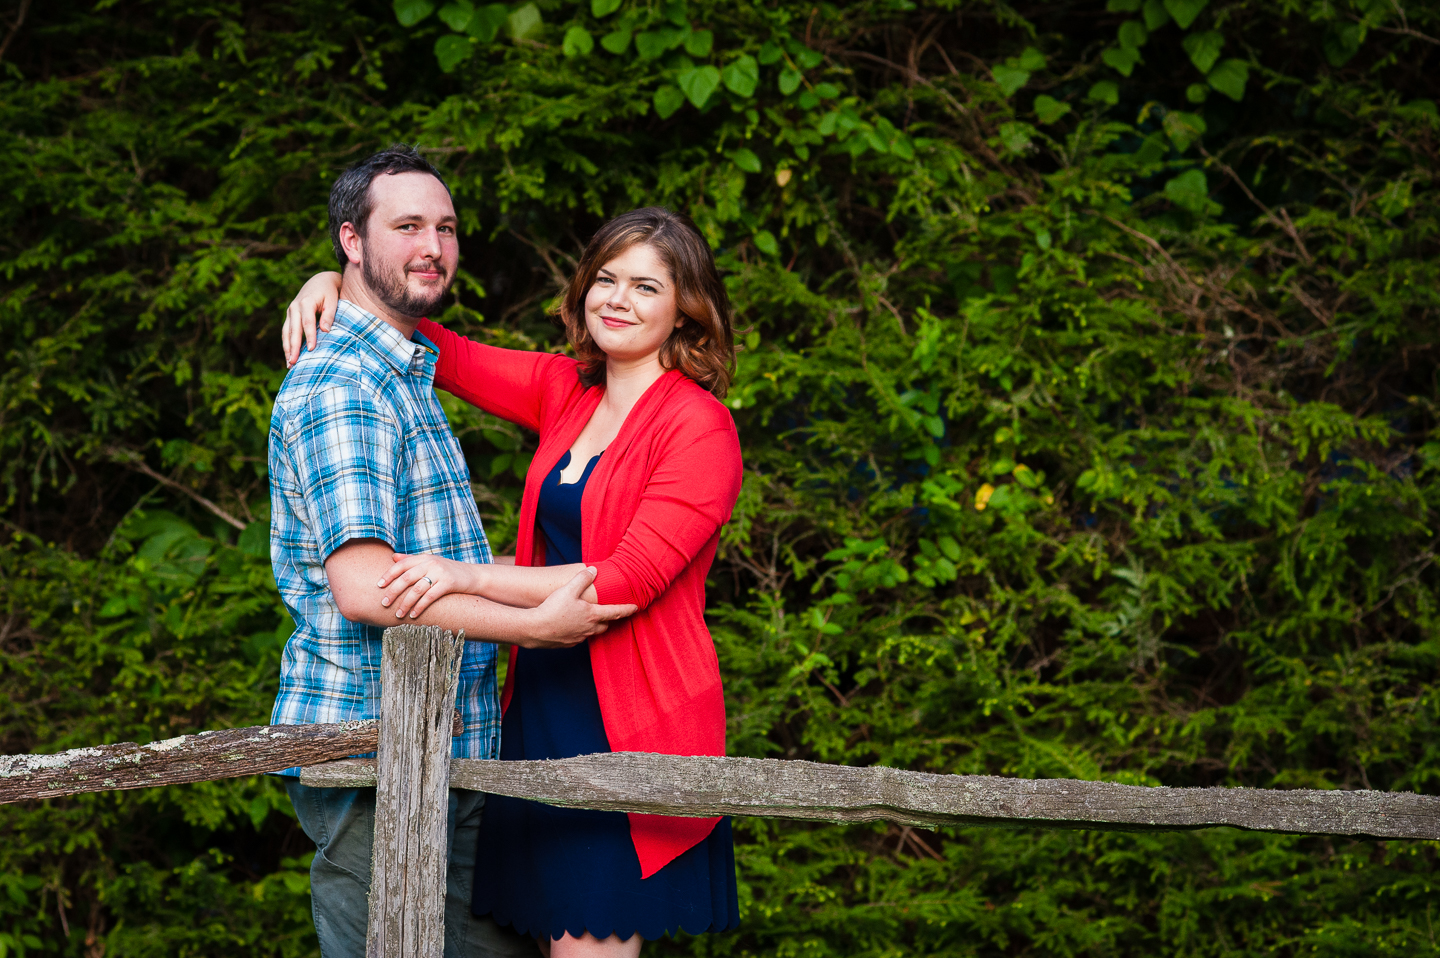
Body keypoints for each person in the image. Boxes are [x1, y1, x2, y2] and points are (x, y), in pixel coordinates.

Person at [282, 205, 744, 956]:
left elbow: (618, 583)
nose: (617, 300)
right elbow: (438, 345)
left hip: (626, 717)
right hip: (537, 711)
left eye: (646, 287)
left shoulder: (699, 428)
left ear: (686, 309)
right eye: (605, 279)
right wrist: (334, 276)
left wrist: (454, 575)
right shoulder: (568, 391)